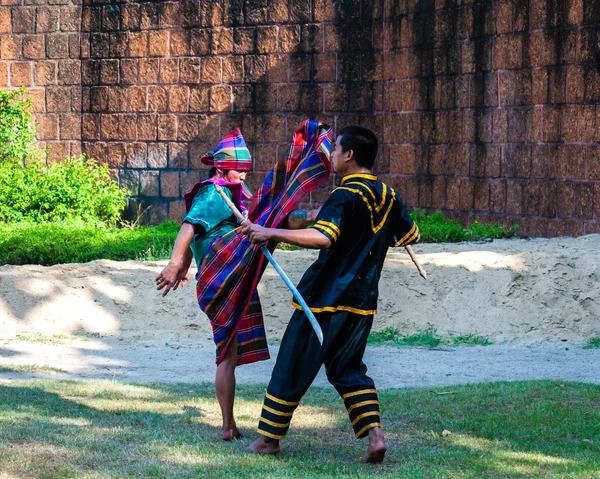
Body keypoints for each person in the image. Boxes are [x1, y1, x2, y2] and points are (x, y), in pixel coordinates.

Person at [241, 125, 420, 463]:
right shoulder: (389, 195)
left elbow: (324, 237)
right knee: (347, 369)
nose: (332, 155)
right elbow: (411, 235)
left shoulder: (345, 195)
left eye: (335, 149)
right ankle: (375, 437)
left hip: (324, 299)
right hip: (362, 302)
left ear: (350, 155)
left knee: (292, 363)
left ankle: (268, 440)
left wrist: (268, 232)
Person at [155, 128, 253, 441]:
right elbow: (189, 227)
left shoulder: (230, 191)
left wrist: (184, 265)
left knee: (230, 353)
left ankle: (229, 424)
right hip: (219, 280)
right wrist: (174, 263)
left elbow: (202, 236)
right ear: (222, 167)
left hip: (227, 277)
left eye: (246, 171)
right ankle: (227, 425)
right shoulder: (215, 191)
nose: (242, 176)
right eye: (239, 171)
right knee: (227, 354)